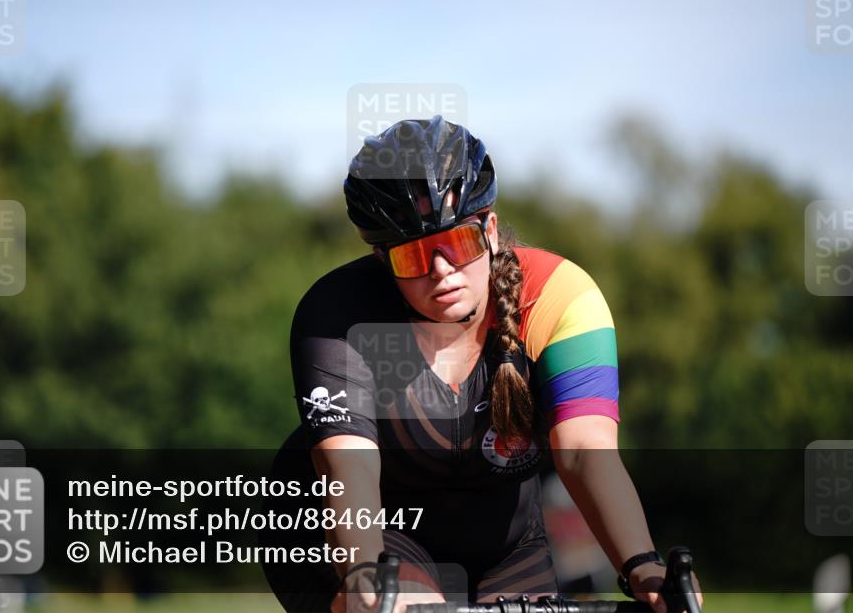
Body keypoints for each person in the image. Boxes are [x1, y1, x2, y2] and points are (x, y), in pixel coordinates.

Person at [261, 116, 702, 613]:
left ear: (489, 228)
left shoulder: (560, 295)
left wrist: (641, 565)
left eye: (457, 243)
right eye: (413, 256)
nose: (441, 271)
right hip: (362, 529)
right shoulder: (337, 313)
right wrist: (362, 572)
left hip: (506, 545)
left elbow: (583, 452)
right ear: (383, 262)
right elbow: (347, 465)